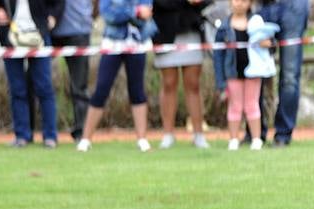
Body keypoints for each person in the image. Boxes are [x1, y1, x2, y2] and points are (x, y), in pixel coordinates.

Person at [76, 0, 156, 151]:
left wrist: (125, 12)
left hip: (137, 42)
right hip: (112, 43)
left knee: (137, 90)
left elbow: (147, 12)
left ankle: (142, 140)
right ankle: (85, 139)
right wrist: (135, 12)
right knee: (102, 88)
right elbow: (108, 15)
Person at [0, 0, 62, 147]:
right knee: (17, 89)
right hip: (11, 37)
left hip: (39, 35)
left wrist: (54, 17)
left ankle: (50, 135)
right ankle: (22, 135)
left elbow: (59, 3)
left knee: (44, 87)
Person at [213, 0, 275, 149]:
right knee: (235, 106)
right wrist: (220, 81)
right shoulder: (223, 28)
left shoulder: (257, 22)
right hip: (233, 74)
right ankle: (233, 139)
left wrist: (269, 43)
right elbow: (218, 55)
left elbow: (271, 43)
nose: (239, 3)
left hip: (253, 73)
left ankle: (256, 139)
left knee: (252, 105)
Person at [152, 0, 211, 148]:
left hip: (191, 27)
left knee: (193, 84)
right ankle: (168, 135)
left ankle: (199, 135)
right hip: (165, 30)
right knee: (169, 83)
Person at [258, 0, 307, 145]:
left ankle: (283, 134)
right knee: (254, 71)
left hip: (293, 7)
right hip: (262, 6)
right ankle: (255, 133)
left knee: (290, 76)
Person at [51, 0, 92, 142]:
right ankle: (28, 131)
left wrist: (87, 17)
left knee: (79, 86)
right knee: (34, 80)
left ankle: (82, 132)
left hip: (79, 31)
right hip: (50, 28)